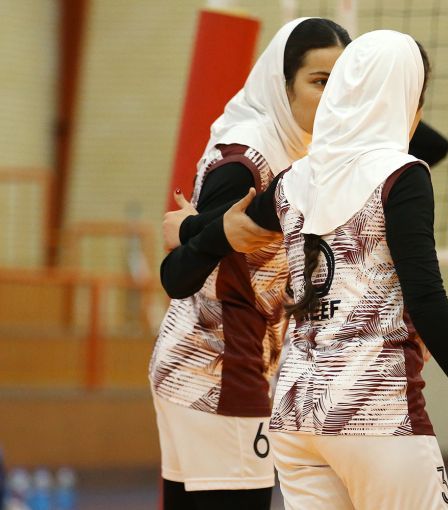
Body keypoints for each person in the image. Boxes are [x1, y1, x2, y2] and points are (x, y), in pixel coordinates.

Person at [167, 30, 448, 509]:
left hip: (296, 417)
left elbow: (213, 243)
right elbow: (428, 300)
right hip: (374, 413)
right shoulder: (402, 174)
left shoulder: (294, 178)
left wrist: (189, 227)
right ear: (408, 100)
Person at [150, 18, 351, 510]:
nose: (334, 98)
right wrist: (204, 233)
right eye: (320, 82)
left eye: (343, 84)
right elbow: (179, 275)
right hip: (219, 371)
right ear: (283, 84)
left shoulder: (298, 147)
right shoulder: (247, 158)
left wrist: (192, 229)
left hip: (207, 366)